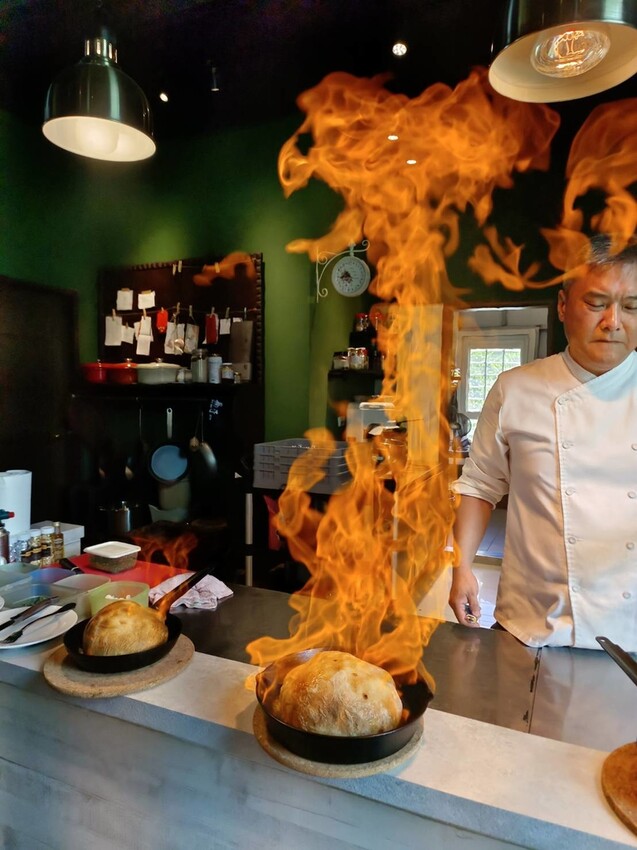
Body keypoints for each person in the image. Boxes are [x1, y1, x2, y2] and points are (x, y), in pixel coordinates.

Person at [449, 235, 637, 649]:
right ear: (563, 305)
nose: (613, 322)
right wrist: (461, 566)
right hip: (529, 623)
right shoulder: (516, 388)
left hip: (631, 632)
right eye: (596, 303)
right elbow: (480, 484)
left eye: (631, 306)